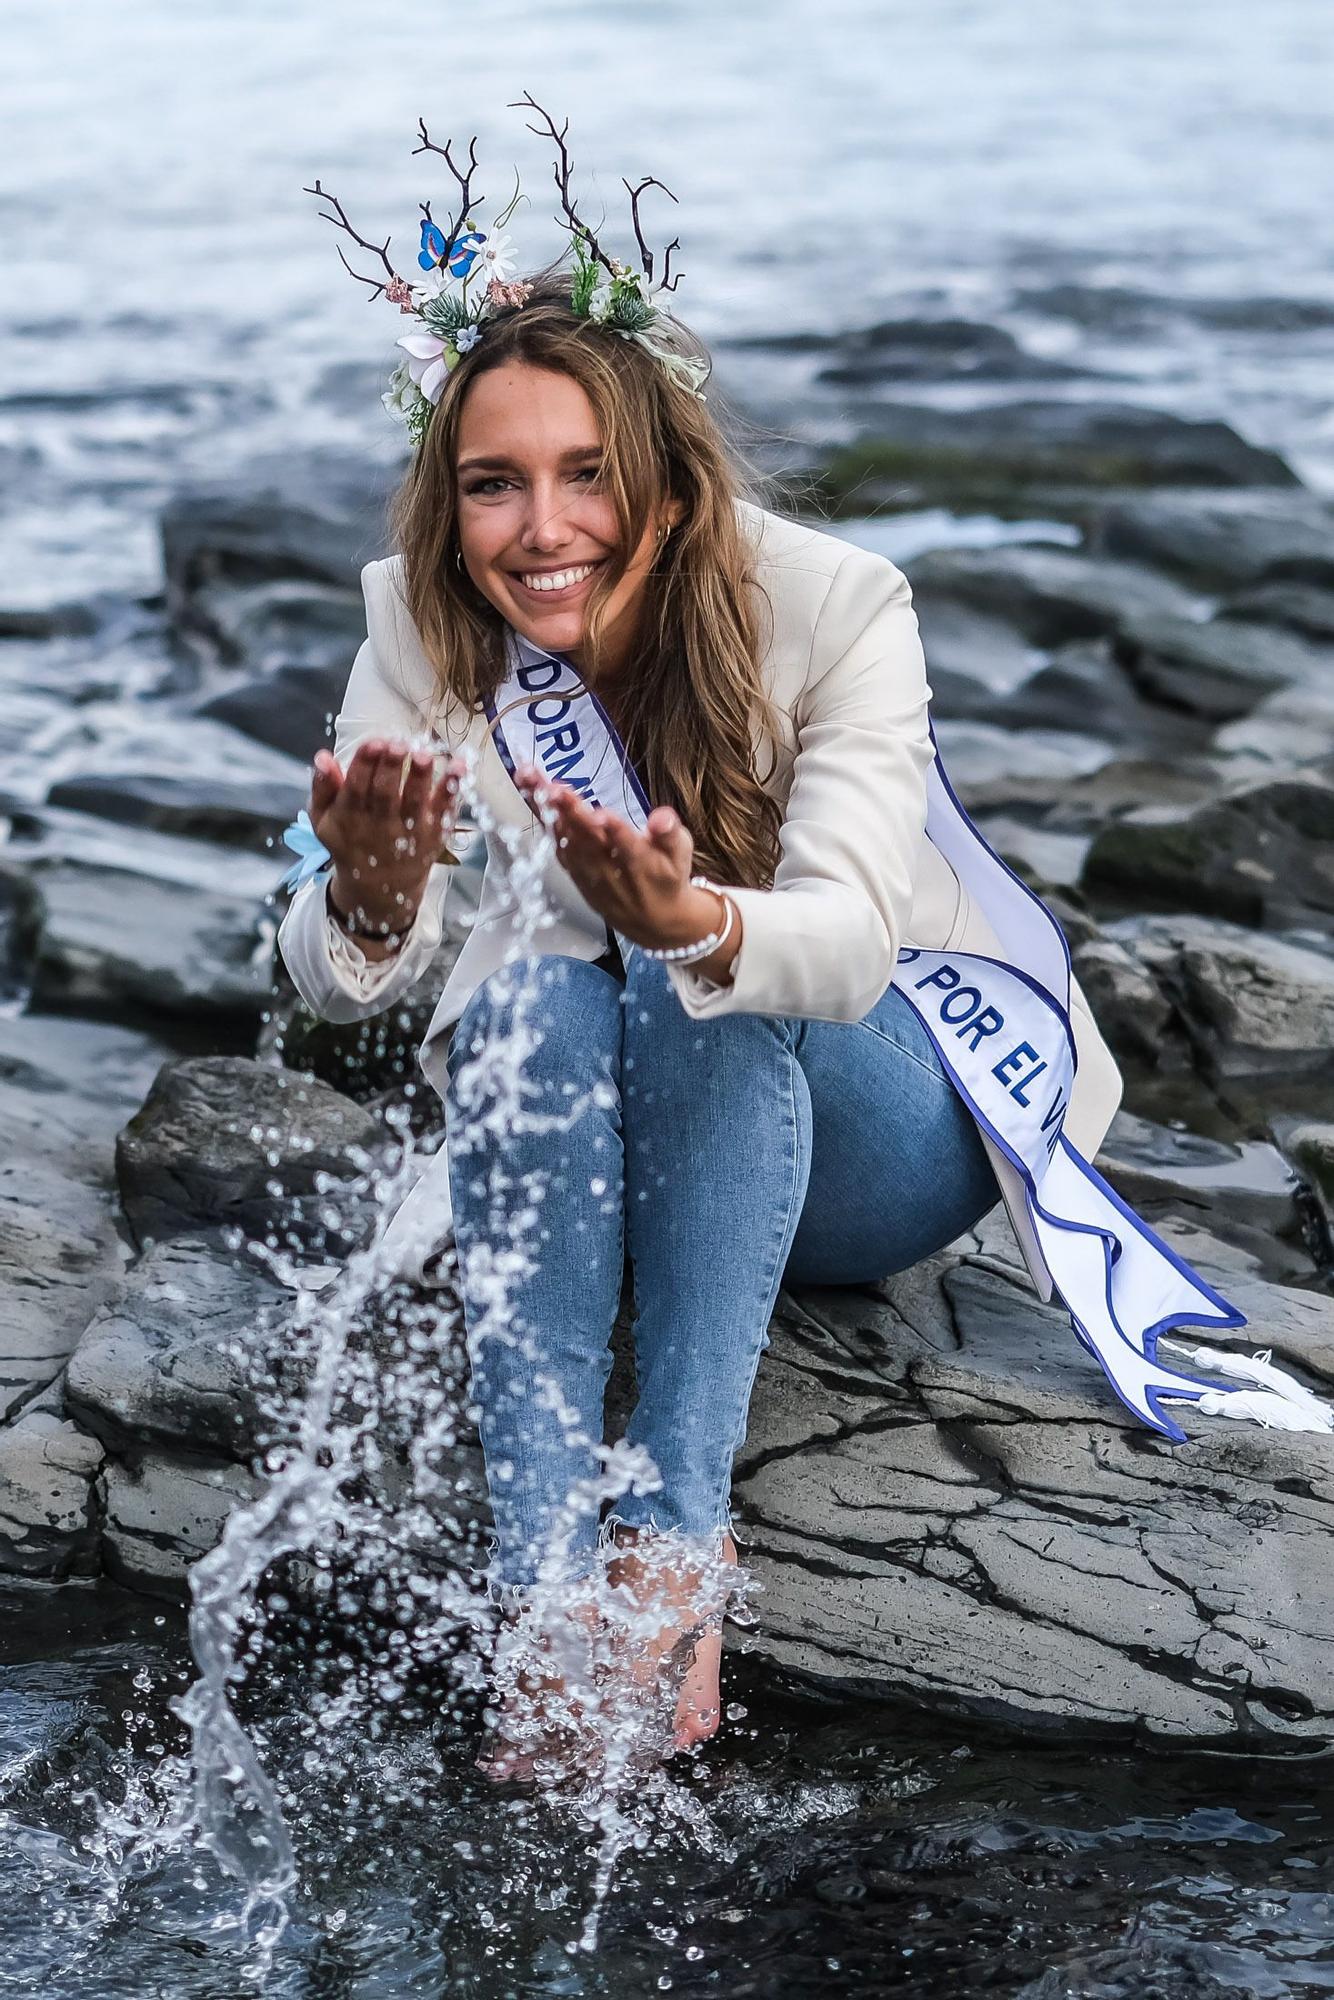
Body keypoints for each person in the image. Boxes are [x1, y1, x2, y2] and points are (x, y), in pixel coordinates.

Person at [277, 112, 1321, 1782]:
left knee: (681, 977)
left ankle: (674, 1552)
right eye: (493, 482)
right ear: (446, 494)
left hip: (881, 1130)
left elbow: (838, 943)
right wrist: (376, 895)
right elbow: (331, 981)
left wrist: (691, 918)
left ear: (666, 477)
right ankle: (545, 1595)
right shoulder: (420, 619)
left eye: (584, 474)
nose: (540, 528)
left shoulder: (836, 603)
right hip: (604, 1114)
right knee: (535, 983)